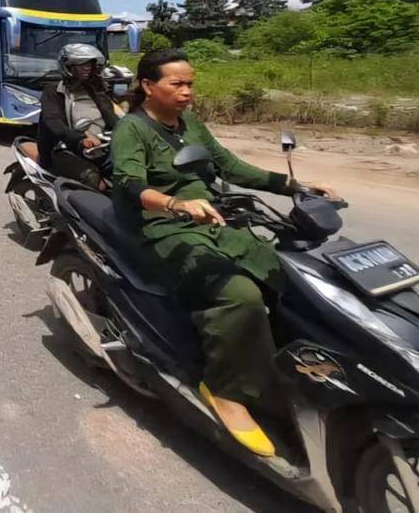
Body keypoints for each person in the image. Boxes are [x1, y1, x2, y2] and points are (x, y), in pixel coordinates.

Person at [110, 48, 336, 457]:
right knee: (239, 296)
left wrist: (294, 186)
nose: (187, 92)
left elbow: (230, 166)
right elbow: (129, 184)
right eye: (177, 84)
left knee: (281, 272)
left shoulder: (190, 123)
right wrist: (177, 204)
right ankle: (225, 390)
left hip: (211, 218)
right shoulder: (133, 129)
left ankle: (276, 365)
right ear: (148, 86)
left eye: (190, 84)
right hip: (162, 227)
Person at [36, 43, 120, 188]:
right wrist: (81, 138)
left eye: (89, 64)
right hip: (63, 150)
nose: (87, 68)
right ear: (68, 66)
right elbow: (54, 123)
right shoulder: (53, 90)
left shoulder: (95, 89)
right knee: (92, 179)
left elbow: (111, 117)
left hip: (99, 148)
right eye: (81, 64)